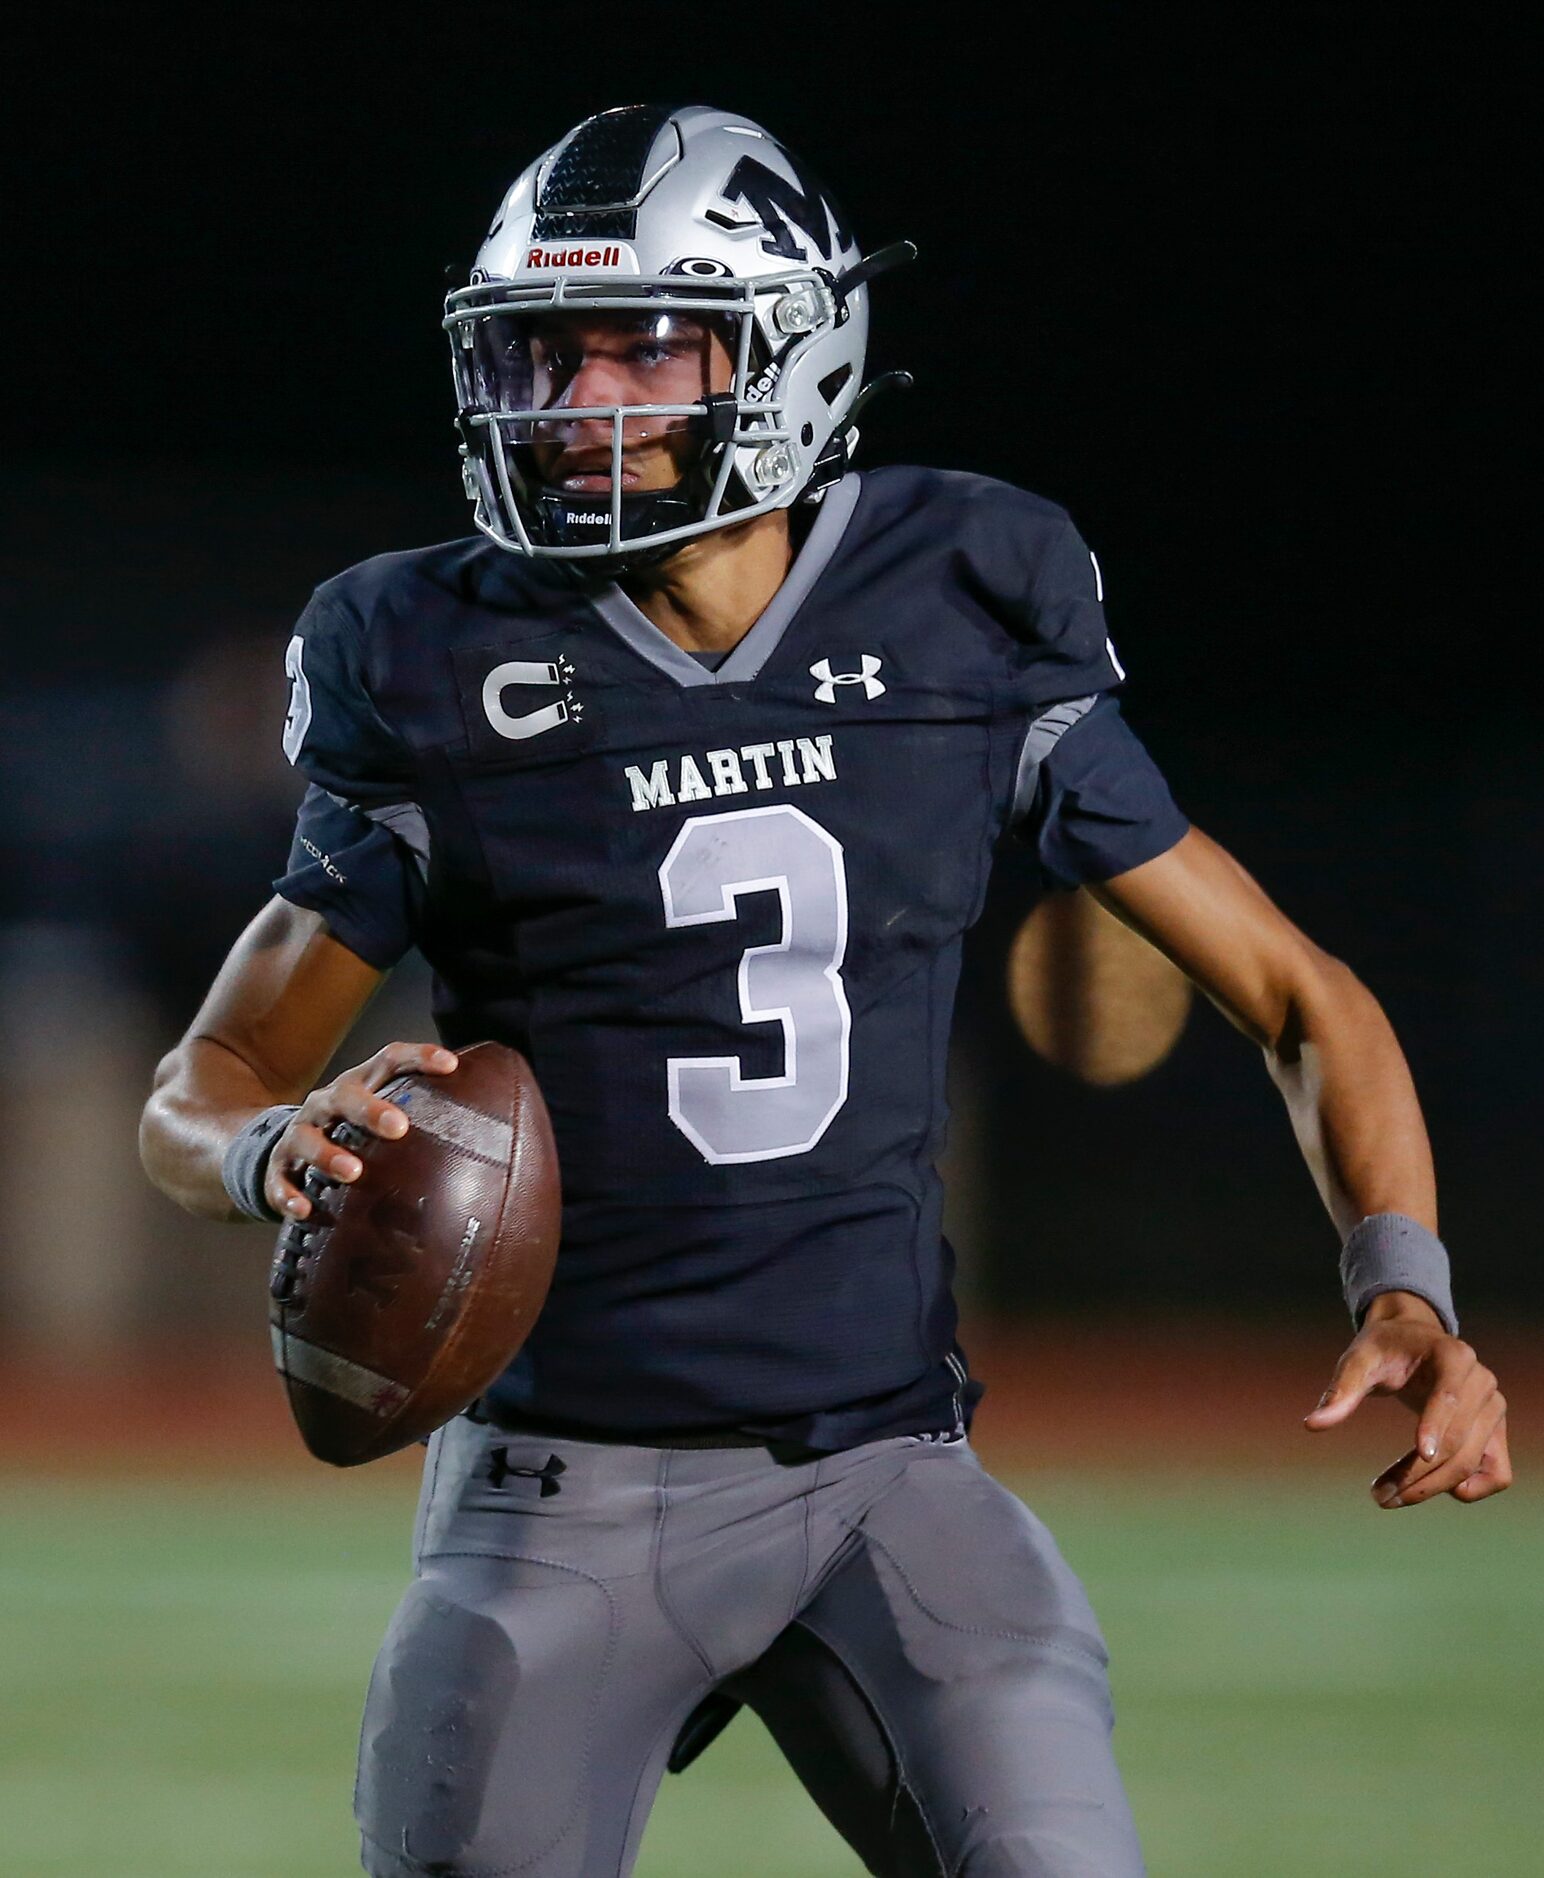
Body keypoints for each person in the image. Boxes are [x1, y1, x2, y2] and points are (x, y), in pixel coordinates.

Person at [139, 104, 1510, 1878]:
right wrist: (266, 1148)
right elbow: (213, 1072)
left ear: (791, 349)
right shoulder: (427, 648)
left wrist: (1405, 1279)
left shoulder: (961, 593)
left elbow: (1297, 991)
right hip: (558, 1499)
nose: (579, 402)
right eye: (547, 354)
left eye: (643, 344)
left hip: (883, 1471)